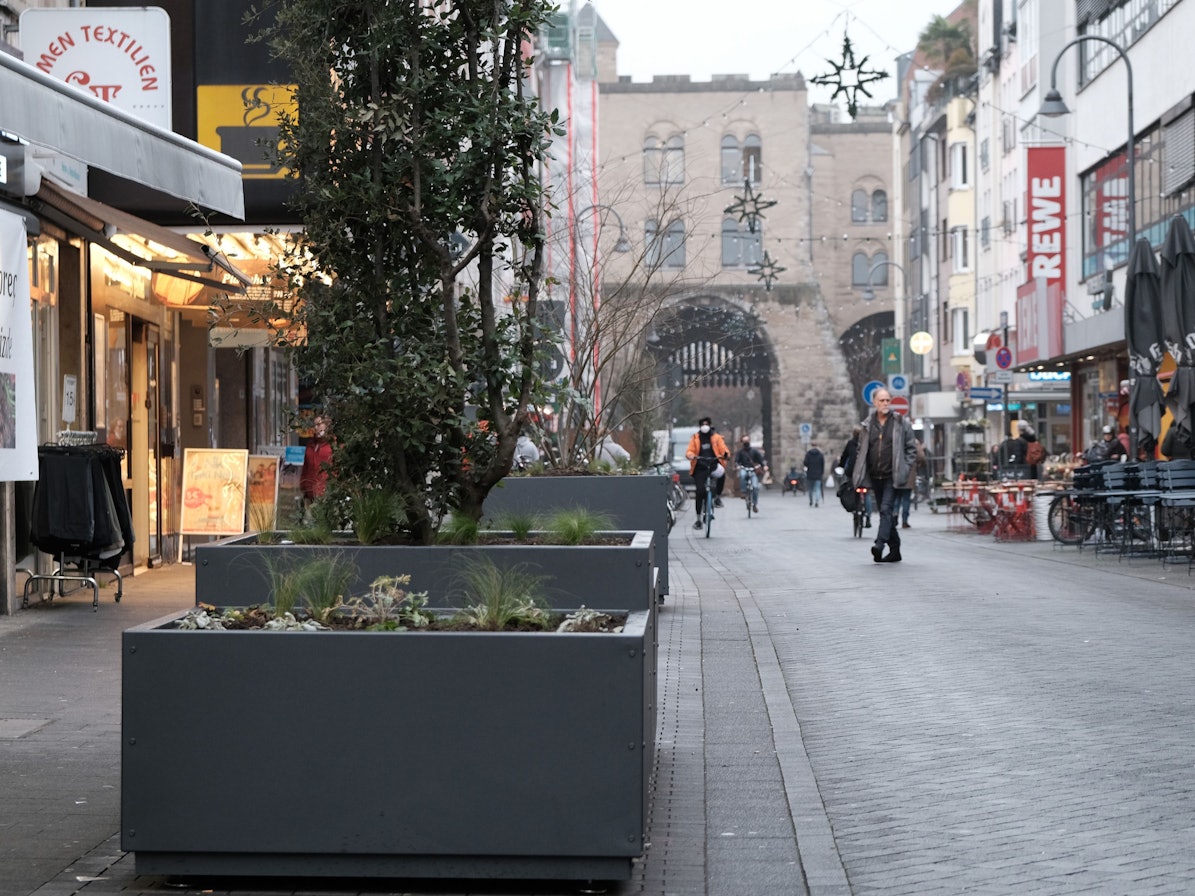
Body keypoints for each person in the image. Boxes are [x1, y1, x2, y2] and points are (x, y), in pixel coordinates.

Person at [851, 388, 917, 563]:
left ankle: (879, 544)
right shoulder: (867, 425)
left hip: (892, 475)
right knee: (884, 512)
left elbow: (911, 448)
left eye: (888, 400)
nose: (885, 403)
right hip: (875, 475)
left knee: (886, 510)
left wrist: (905, 467)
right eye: (882, 400)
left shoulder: (900, 423)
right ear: (874, 403)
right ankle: (895, 550)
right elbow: (861, 449)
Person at [686, 416, 730, 529]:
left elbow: (723, 449)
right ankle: (698, 519)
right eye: (702, 424)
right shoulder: (695, 438)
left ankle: (717, 497)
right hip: (700, 468)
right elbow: (689, 451)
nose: (705, 426)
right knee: (700, 492)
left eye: (706, 424)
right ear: (700, 426)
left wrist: (725, 454)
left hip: (713, 465)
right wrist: (691, 455)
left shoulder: (716, 437)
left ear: (710, 425)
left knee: (722, 474)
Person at [837, 425, 871, 527]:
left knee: (851, 488)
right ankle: (868, 516)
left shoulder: (851, 443)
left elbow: (844, 456)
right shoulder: (867, 443)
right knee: (867, 493)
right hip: (865, 471)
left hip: (851, 472)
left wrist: (841, 466)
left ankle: (854, 506)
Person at [300, 414, 334, 503]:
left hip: (327, 493)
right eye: (314, 425)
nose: (316, 428)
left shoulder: (333, 445)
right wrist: (303, 486)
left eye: (318, 425)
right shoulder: (310, 444)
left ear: (327, 426)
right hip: (310, 491)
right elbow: (305, 468)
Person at [895, 439, 926, 529]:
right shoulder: (914, 442)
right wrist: (920, 463)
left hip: (897, 473)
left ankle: (894, 515)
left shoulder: (896, 440)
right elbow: (921, 457)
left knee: (897, 497)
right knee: (906, 498)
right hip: (909, 474)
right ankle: (904, 521)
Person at [734, 435, 766, 513]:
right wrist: (737, 466)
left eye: (747, 440)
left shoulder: (754, 451)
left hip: (753, 470)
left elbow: (761, 460)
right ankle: (743, 492)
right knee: (742, 475)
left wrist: (764, 466)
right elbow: (736, 461)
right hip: (744, 468)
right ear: (742, 442)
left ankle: (754, 504)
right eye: (744, 441)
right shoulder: (740, 452)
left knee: (755, 487)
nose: (746, 442)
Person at [803, 441, 826, 508]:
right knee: (817, 488)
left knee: (810, 489)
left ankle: (811, 501)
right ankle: (817, 501)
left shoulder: (808, 454)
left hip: (810, 474)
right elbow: (822, 465)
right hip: (818, 474)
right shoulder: (820, 454)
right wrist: (822, 473)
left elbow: (805, 463)